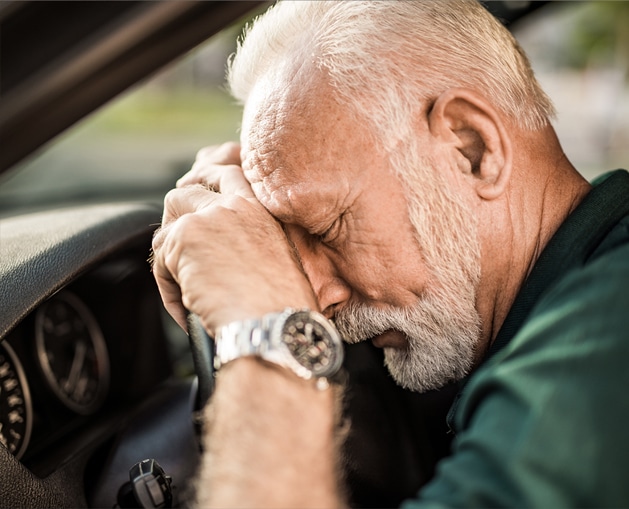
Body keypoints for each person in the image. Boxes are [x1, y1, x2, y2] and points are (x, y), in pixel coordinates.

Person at [151, 0, 629, 507]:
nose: (315, 297)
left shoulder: (610, 325)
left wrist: (263, 327)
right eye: (290, 245)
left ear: (472, 150)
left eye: (329, 227)